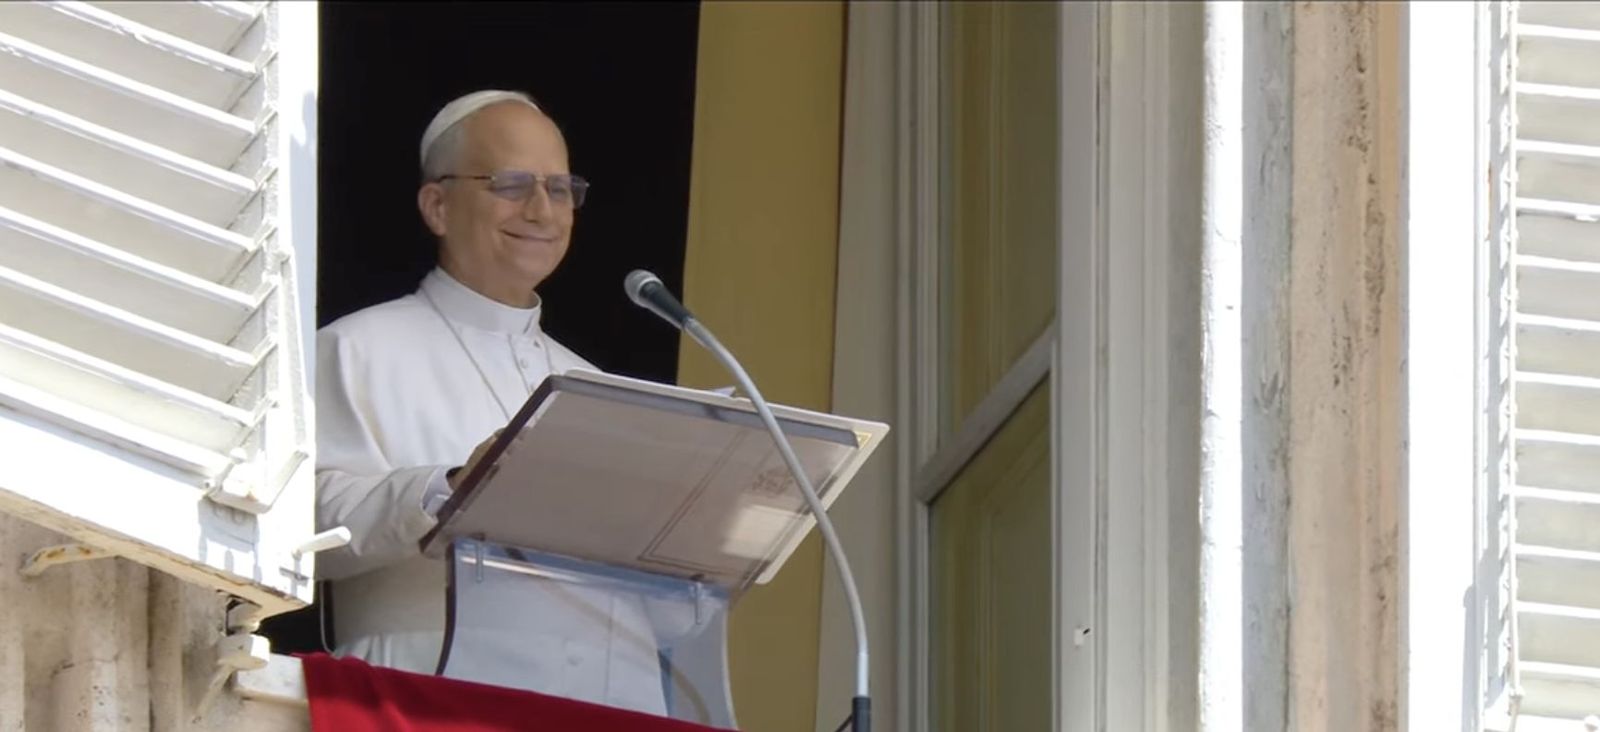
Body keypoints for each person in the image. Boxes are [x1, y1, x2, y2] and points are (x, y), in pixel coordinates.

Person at [313, 90, 667, 714]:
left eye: (560, 189)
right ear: (438, 205)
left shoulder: (595, 387)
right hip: (427, 699)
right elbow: (302, 525)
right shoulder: (354, 347)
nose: (541, 209)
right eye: (510, 183)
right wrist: (447, 489)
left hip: (603, 706)